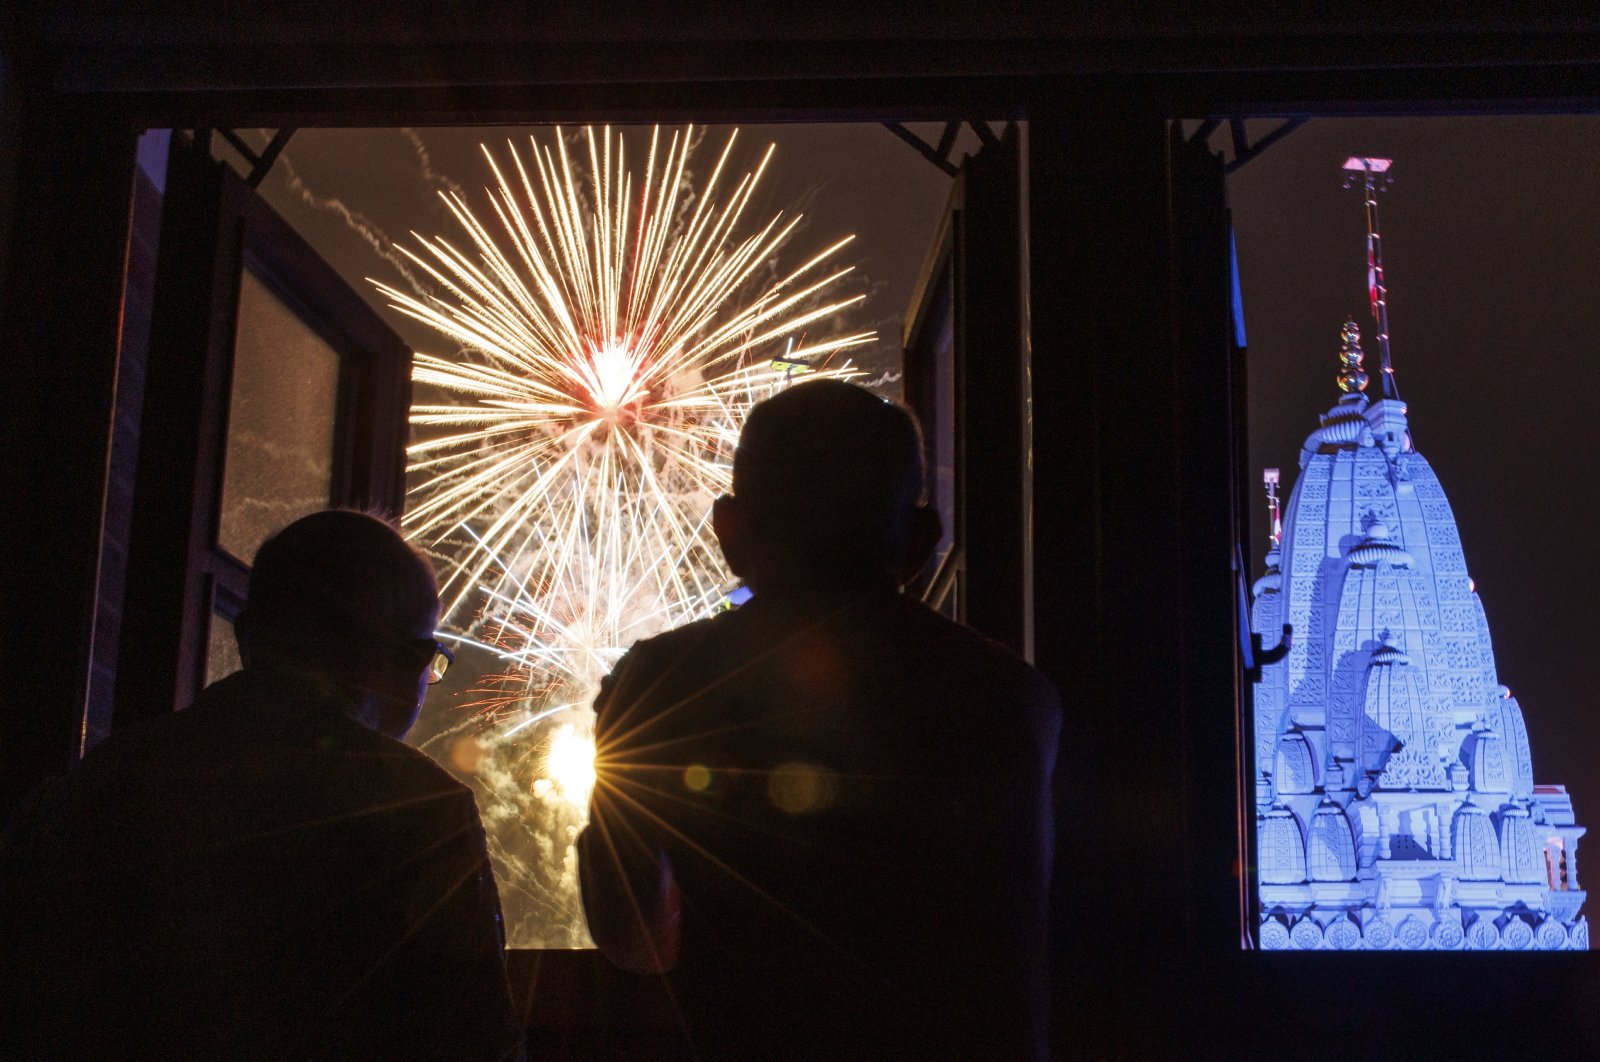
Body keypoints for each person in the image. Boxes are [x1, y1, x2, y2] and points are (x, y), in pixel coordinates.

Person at [578, 381, 1061, 1060]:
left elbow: (630, 935)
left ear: (730, 532)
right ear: (921, 542)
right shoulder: (1015, 697)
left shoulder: (661, 684)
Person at [0, 510, 522, 1060]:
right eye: (431, 658)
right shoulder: (422, 810)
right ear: (405, 662)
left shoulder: (93, 786)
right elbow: (479, 1040)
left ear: (250, 635)